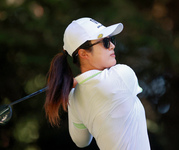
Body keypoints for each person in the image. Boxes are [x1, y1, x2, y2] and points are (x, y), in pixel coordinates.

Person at [44, 17, 151, 150]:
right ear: (83, 53)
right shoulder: (122, 74)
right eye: (105, 42)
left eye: (111, 40)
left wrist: (74, 90)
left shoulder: (74, 97)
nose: (112, 45)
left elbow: (81, 141)